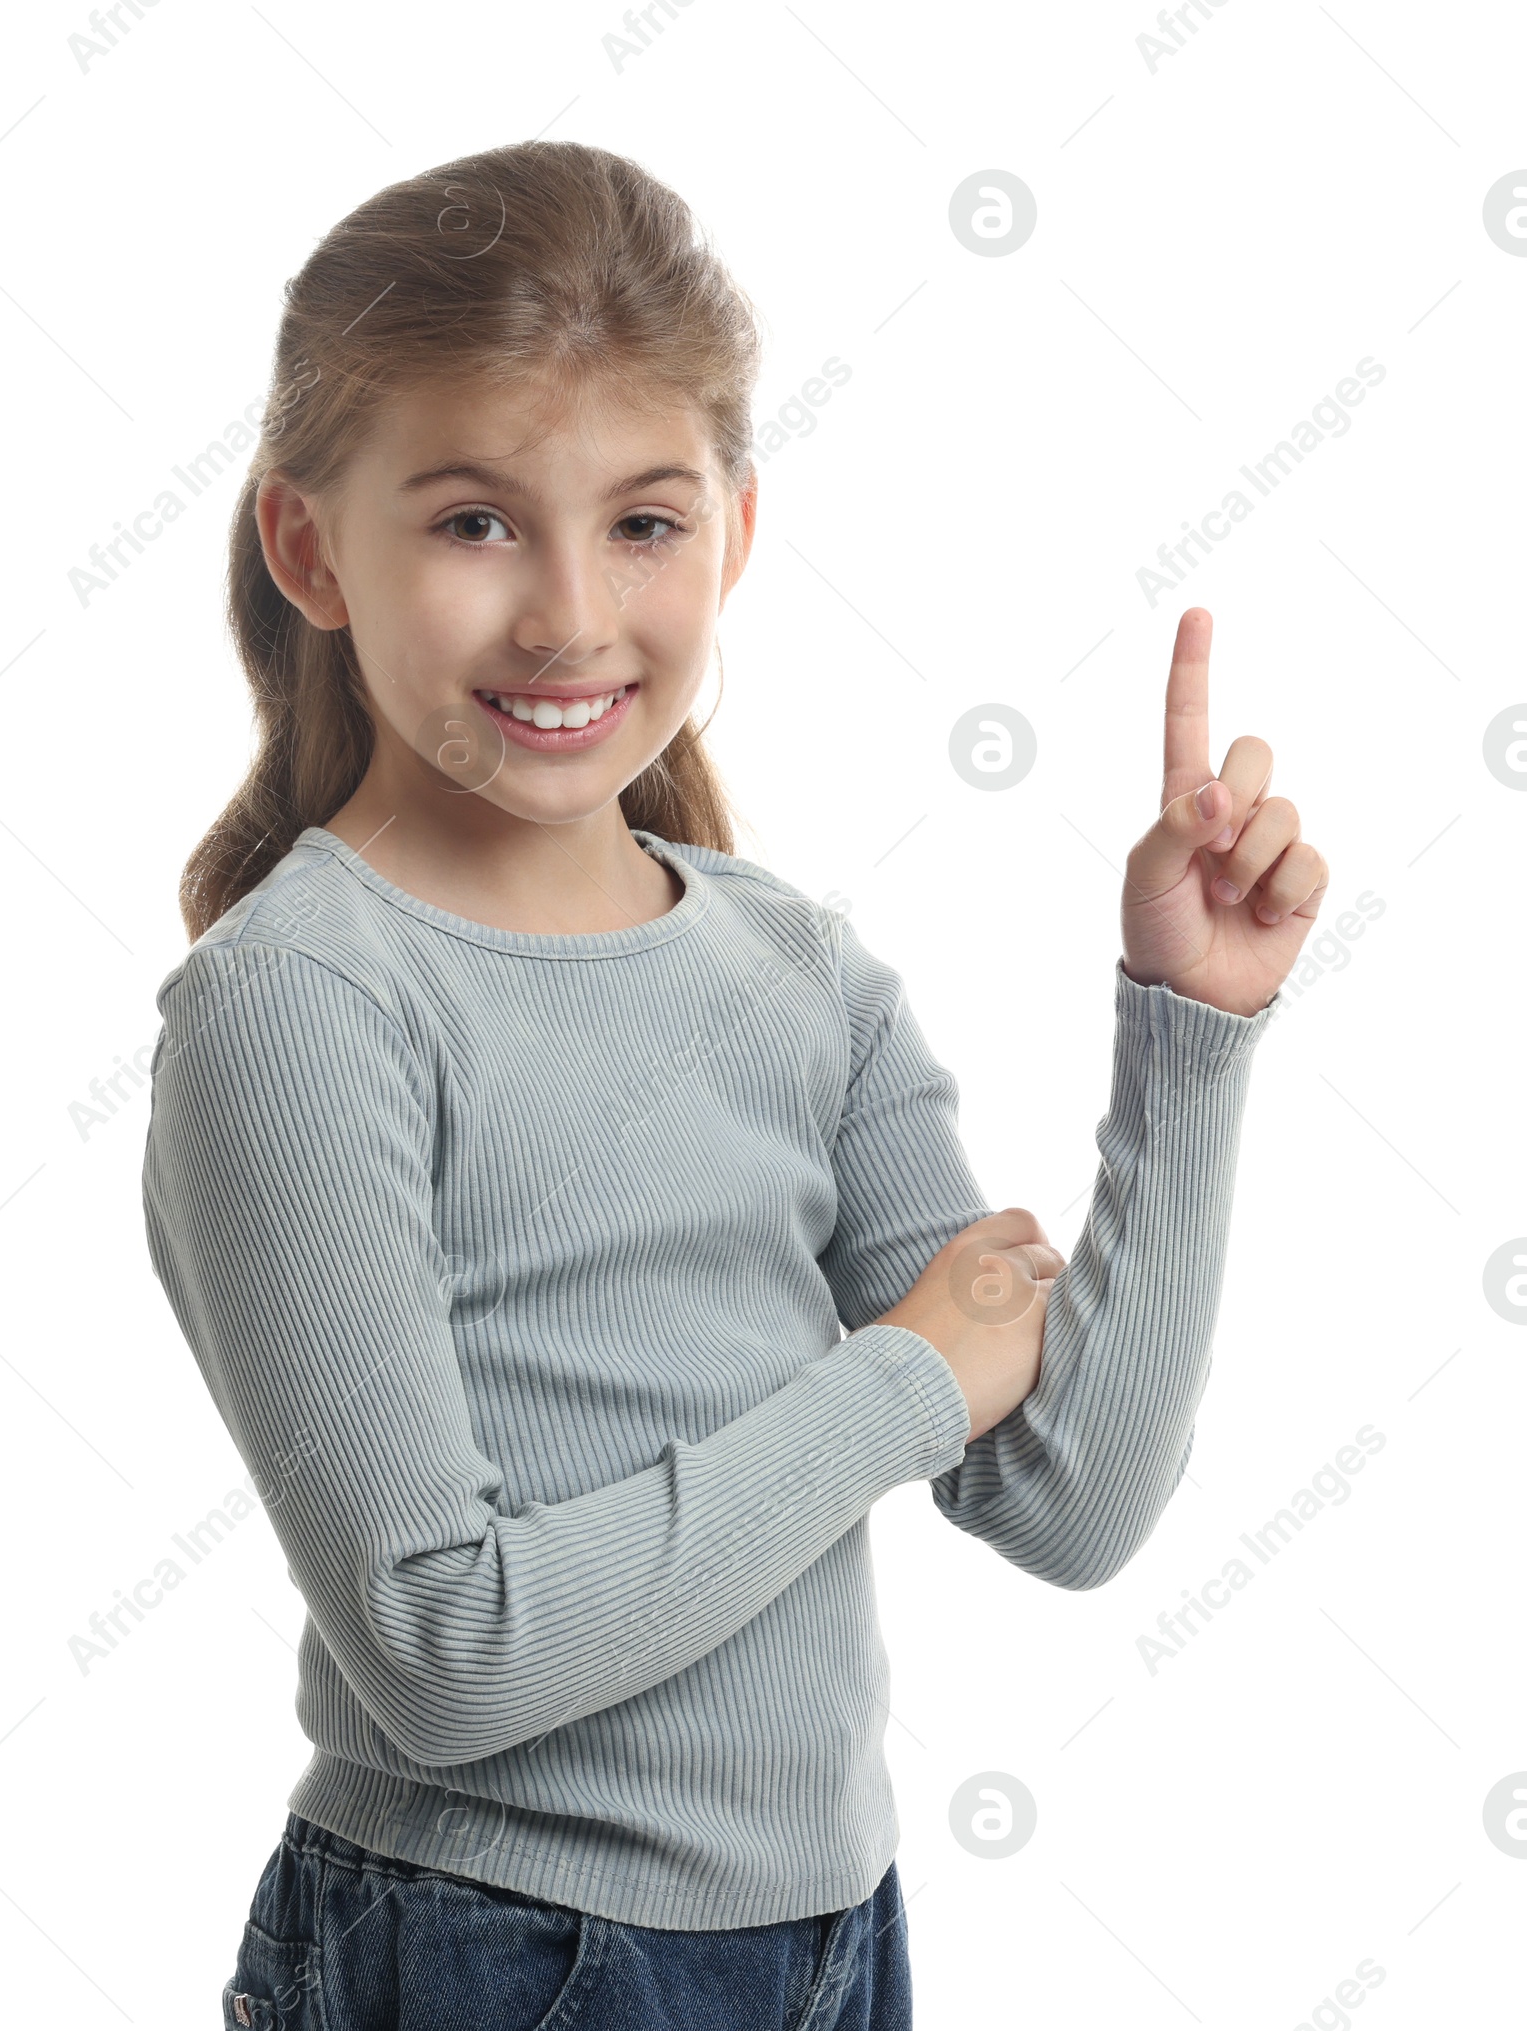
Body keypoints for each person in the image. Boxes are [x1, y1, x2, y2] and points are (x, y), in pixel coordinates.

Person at [140, 138, 1328, 2030]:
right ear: (310, 550)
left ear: (737, 531)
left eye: (642, 521)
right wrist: (902, 1383)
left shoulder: (795, 973)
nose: (568, 619)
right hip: (490, 1949)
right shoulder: (302, 1002)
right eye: (471, 522)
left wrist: (1189, 1033)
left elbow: (1066, 1499)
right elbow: (446, 1653)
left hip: (830, 1940)